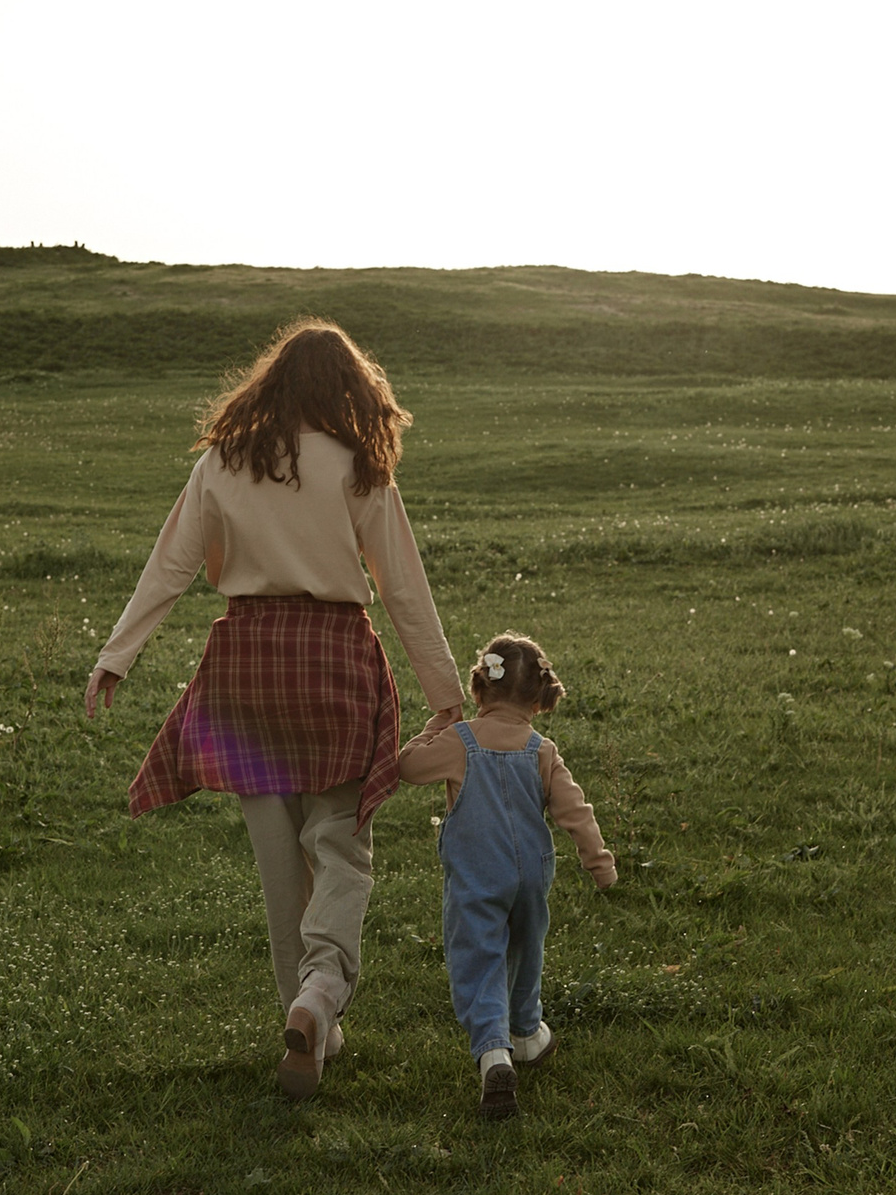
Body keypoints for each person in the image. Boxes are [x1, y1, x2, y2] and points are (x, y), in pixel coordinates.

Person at [85, 319, 465, 1102]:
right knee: (342, 846)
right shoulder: (358, 465)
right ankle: (320, 995)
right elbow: (401, 585)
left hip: (248, 664)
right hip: (330, 661)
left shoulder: (222, 461)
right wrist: (446, 694)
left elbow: (171, 564)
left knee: (277, 865)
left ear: (270, 382)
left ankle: (307, 1024)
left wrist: (115, 656)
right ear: (349, 391)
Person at [396, 630, 617, 1119]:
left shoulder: (459, 741)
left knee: (480, 957)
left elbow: (407, 767)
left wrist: (435, 725)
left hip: (478, 876)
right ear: (539, 700)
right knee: (525, 950)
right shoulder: (542, 749)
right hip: (533, 877)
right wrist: (599, 863)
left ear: (479, 690)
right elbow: (575, 811)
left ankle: (495, 1053)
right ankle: (528, 1034)